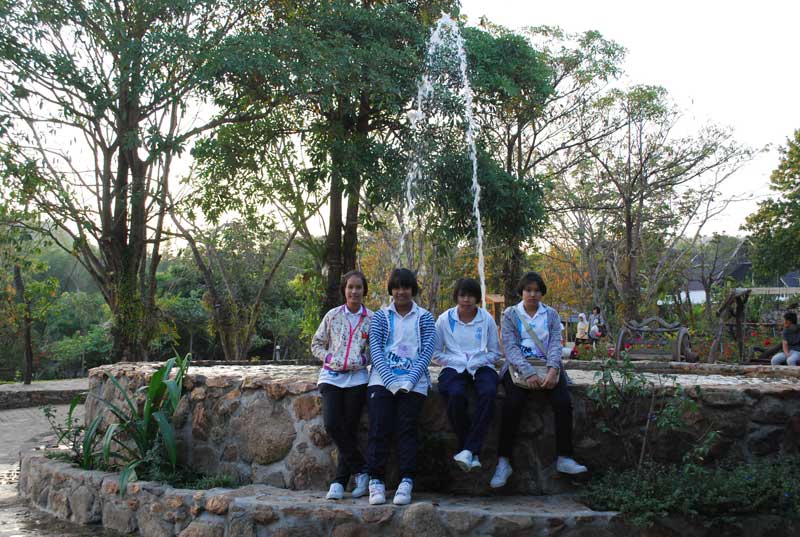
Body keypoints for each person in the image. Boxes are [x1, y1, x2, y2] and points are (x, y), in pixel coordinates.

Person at [490, 271, 587, 489]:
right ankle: (503, 462)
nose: (532, 294)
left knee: (563, 402)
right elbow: (510, 347)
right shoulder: (511, 314)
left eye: (536, 291)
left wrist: (553, 370)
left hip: (547, 367)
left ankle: (565, 457)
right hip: (518, 369)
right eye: (528, 290)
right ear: (521, 292)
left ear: (542, 293)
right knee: (512, 404)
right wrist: (528, 372)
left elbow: (555, 344)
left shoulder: (550, 315)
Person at [366, 268, 436, 506]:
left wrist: (409, 381)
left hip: (414, 382)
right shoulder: (381, 316)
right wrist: (390, 381)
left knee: (407, 428)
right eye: (396, 287)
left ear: (412, 289)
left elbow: (426, 353)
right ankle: (376, 480)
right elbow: (375, 350)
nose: (401, 292)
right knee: (379, 426)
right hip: (382, 380)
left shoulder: (424, 317)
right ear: (391, 290)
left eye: (405, 287)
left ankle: (406, 480)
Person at [311, 270, 373, 500]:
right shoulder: (333, 315)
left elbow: (377, 350)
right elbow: (316, 344)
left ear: (364, 291)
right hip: (331, 377)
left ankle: (338, 483)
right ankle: (361, 470)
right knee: (332, 424)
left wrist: (362, 360)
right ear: (344, 290)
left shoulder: (372, 319)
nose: (354, 291)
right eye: (350, 287)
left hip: (357, 378)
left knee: (349, 428)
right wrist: (329, 358)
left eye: (358, 287)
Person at [433, 278, 501, 473]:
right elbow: (435, 353)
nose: (466, 300)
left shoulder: (486, 319)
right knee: (455, 394)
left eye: (471, 296)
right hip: (453, 366)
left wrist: (476, 361)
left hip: (481, 365)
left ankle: (467, 450)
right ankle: (472, 451)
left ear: (477, 298)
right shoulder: (444, 319)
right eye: (463, 295)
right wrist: (458, 361)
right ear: (457, 297)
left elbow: (495, 353)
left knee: (488, 392)